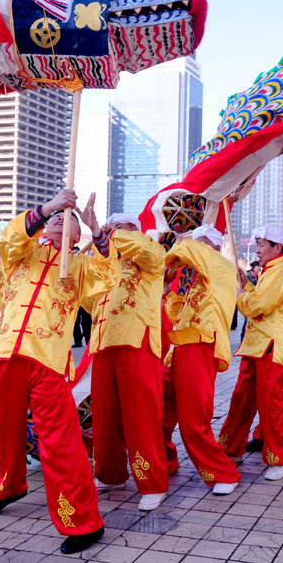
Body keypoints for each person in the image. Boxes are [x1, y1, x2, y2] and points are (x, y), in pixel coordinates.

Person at [0, 189, 115, 555]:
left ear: (76, 236)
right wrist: (50, 205)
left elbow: (110, 277)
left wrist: (96, 230)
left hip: (48, 360)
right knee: (5, 428)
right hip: (6, 352)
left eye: (66, 219)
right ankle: (9, 486)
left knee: (60, 441)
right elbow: (8, 238)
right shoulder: (23, 252)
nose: (59, 219)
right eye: (55, 216)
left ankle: (84, 522)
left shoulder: (81, 267)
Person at [84, 213, 169, 511]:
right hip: (104, 339)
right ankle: (110, 475)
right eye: (110, 228)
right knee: (104, 414)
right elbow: (90, 299)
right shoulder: (105, 262)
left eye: (119, 228)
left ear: (135, 230)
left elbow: (148, 255)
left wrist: (100, 233)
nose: (113, 233)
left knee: (140, 415)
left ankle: (152, 482)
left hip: (137, 338)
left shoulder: (151, 249)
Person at [161, 226, 241, 495]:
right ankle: (166, 461)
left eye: (202, 244)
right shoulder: (199, 280)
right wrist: (168, 294)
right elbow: (178, 314)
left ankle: (224, 474)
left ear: (216, 250)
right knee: (159, 409)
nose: (195, 248)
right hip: (180, 348)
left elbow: (187, 249)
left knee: (193, 418)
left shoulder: (222, 269)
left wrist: (182, 241)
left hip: (201, 346)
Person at [219, 225, 283, 481]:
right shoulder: (272, 271)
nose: (257, 250)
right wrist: (248, 287)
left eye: (262, 245)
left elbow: (260, 306)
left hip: (273, 347)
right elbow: (264, 299)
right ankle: (230, 448)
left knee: (271, 405)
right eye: (256, 245)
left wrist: (242, 295)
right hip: (258, 345)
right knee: (241, 400)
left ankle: (281, 458)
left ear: (278, 247)